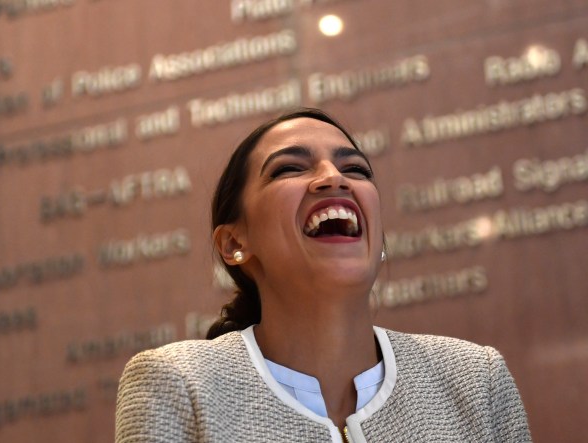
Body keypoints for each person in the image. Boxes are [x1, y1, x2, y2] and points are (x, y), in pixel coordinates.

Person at [115, 108, 531, 442]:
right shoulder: (178, 385)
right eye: (288, 169)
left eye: (357, 170)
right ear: (233, 244)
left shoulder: (476, 381)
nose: (334, 178)